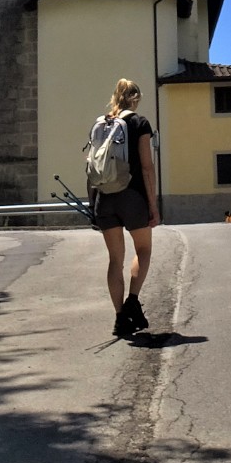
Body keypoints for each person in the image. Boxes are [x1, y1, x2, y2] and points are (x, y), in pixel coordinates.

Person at [94, 78, 159, 337]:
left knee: (114, 259)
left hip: (105, 197)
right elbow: (146, 166)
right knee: (143, 250)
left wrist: (94, 204)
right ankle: (133, 300)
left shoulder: (101, 124)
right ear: (136, 98)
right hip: (132, 196)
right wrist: (153, 205)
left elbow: (94, 166)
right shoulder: (140, 123)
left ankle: (120, 318)